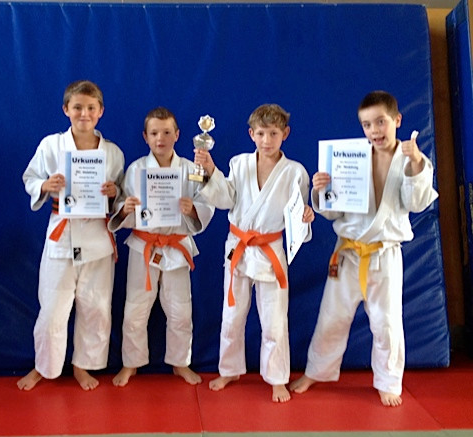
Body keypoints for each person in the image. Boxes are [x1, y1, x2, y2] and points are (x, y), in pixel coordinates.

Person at [289, 91, 439, 407]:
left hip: (384, 255)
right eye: (367, 124)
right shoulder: (350, 157)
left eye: (380, 122)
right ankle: (316, 372)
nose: (374, 130)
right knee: (331, 316)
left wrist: (415, 163)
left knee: (387, 323)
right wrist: (321, 190)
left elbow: (417, 203)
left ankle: (389, 381)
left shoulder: (412, 160)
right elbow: (332, 212)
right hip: (347, 254)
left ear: (397, 120)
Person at [195, 104, 314, 403]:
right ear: (251, 134)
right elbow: (225, 199)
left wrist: (306, 217)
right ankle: (229, 369)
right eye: (261, 133)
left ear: (285, 134)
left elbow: (297, 213)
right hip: (238, 247)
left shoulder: (295, 172)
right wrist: (209, 170)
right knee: (232, 315)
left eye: (273, 133)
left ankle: (277, 378)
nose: (266, 140)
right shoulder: (239, 164)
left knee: (274, 319)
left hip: (270, 249)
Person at [18, 80, 124, 391]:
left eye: (91, 108)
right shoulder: (51, 145)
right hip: (61, 237)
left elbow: (124, 195)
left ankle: (82, 366)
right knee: (52, 308)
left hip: (97, 239)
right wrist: (44, 185)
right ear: (66, 109)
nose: (84, 113)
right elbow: (30, 177)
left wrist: (115, 193)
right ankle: (44, 366)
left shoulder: (113, 152)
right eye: (77, 107)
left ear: (101, 111)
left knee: (96, 308)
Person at [109, 107, 214, 387]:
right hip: (143, 245)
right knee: (135, 309)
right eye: (154, 133)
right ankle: (131, 364)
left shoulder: (191, 170)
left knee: (181, 310)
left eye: (167, 132)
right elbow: (120, 205)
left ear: (177, 135)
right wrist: (126, 208)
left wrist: (193, 209)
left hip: (176, 246)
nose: (161, 138)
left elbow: (205, 201)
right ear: (145, 136)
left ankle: (180, 363)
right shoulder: (136, 170)